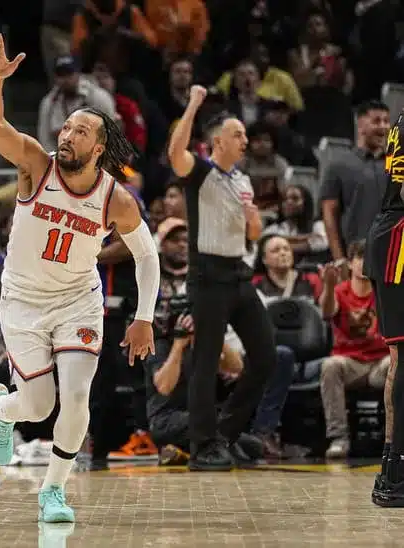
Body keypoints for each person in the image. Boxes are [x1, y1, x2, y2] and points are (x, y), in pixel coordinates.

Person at [0, 34, 160, 523]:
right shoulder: (36, 164)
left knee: (77, 397)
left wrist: (144, 317)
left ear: (99, 147)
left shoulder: (116, 198)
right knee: (38, 407)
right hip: (23, 300)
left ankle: (53, 491)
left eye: (81, 131)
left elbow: (147, 256)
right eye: (67, 127)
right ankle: (1, 409)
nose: (68, 134)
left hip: (77, 300)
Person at [167, 85, 277, 472]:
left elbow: (254, 234)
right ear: (218, 142)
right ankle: (202, 447)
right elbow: (174, 152)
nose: (245, 140)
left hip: (238, 273)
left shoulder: (242, 180)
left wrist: (252, 218)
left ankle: (225, 433)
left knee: (265, 356)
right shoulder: (201, 173)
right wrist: (194, 103)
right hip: (208, 276)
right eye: (238, 134)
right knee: (206, 359)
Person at [364, 108, 404, 507]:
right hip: (398, 243)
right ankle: (395, 472)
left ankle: (393, 466)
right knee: (403, 358)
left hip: (392, 236)